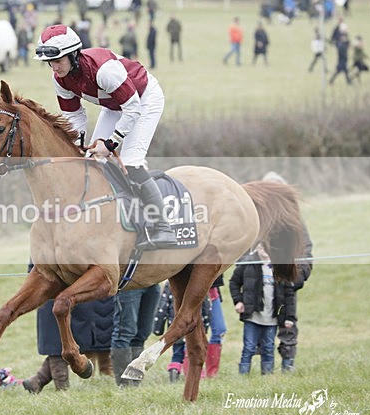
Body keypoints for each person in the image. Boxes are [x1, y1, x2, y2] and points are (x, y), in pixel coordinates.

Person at [33, 24, 178, 250]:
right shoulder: (59, 78)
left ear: (73, 55)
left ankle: (163, 227)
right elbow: (74, 115)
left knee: (131, 162)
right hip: (113, 105)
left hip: (142, 99)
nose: (54, 67)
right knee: (93, 161)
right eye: (50, 62)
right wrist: (79, 143)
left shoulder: (104, 71)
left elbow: (132, 109)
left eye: (58, 60)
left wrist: (110, 144)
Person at [261, 171, 312, 372]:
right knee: (260, 325)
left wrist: (296, 278)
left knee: (287, 322)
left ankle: (287, 364)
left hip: (286, 283)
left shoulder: (296, 222)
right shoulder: (257, 222)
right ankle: (263, 365)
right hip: (261, 284)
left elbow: (306, 250)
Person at [22, 296, 114, 393]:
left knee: (61, 343)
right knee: (58, 346)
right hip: (59, 301)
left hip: (60, 301)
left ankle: (38, 380)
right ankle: (61, 390)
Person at [230, 244, 295, 375]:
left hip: (272, 318)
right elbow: (234, 283)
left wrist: (289, 317)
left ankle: (267, 376)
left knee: (268, 348)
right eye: (261, 246)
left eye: (267, 246)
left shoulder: (280, 267)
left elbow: (289, 295)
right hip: (252, 316)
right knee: (248, 347)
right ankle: (243, 376)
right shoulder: (248, 263)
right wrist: (238, 301)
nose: (263, 250)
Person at [161, 275, 227, 381]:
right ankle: (194, 372)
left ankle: (212, 372)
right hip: (193, 290)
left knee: (220, 330)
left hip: (212, 290)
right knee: (191, 330)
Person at [110, 284, 161, 386]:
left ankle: (134, 381)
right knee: (124, 332)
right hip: (130, 282)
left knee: (142, 334)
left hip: (153, 281)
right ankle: (124, 384)